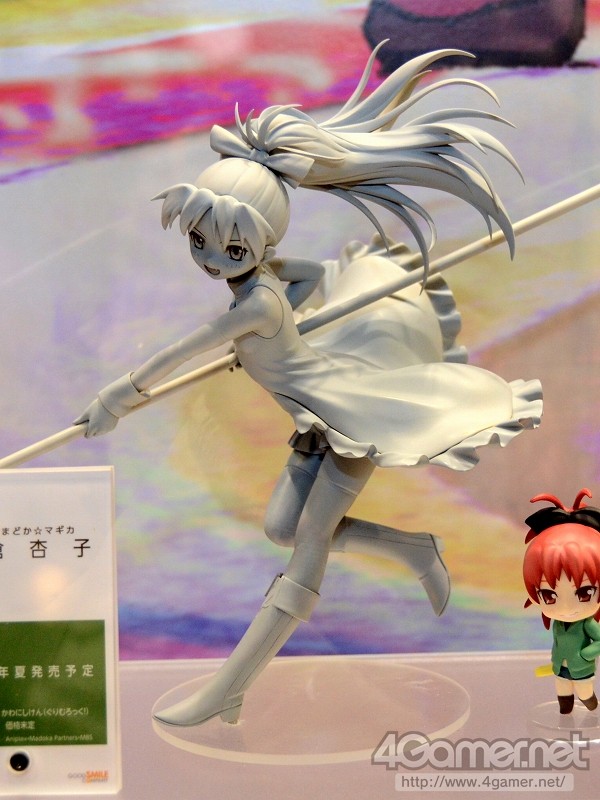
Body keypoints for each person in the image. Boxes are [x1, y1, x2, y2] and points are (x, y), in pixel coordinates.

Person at [76, 44, 542, 727]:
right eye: (201, 242)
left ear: (259, 243)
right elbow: (314, 277)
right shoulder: (264, 287)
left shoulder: (255, 304)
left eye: (232, 248)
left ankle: (230, 685)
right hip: (315, 417)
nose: (212, 259)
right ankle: (414, 550)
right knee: (280, 526)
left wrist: (116, 399)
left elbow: (181, 351)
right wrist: (276, 341)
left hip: (350, 419)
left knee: (307, 548)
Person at [523, 489, 600, 714]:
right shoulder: (557, 623)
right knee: (563, 696)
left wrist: (585, 655)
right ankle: (565, 715)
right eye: (549, 595)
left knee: (585, 695)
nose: (565, 608)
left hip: (581, 668)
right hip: (560, 668)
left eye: (585, 592)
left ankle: (592, 712)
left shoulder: (587, 623)